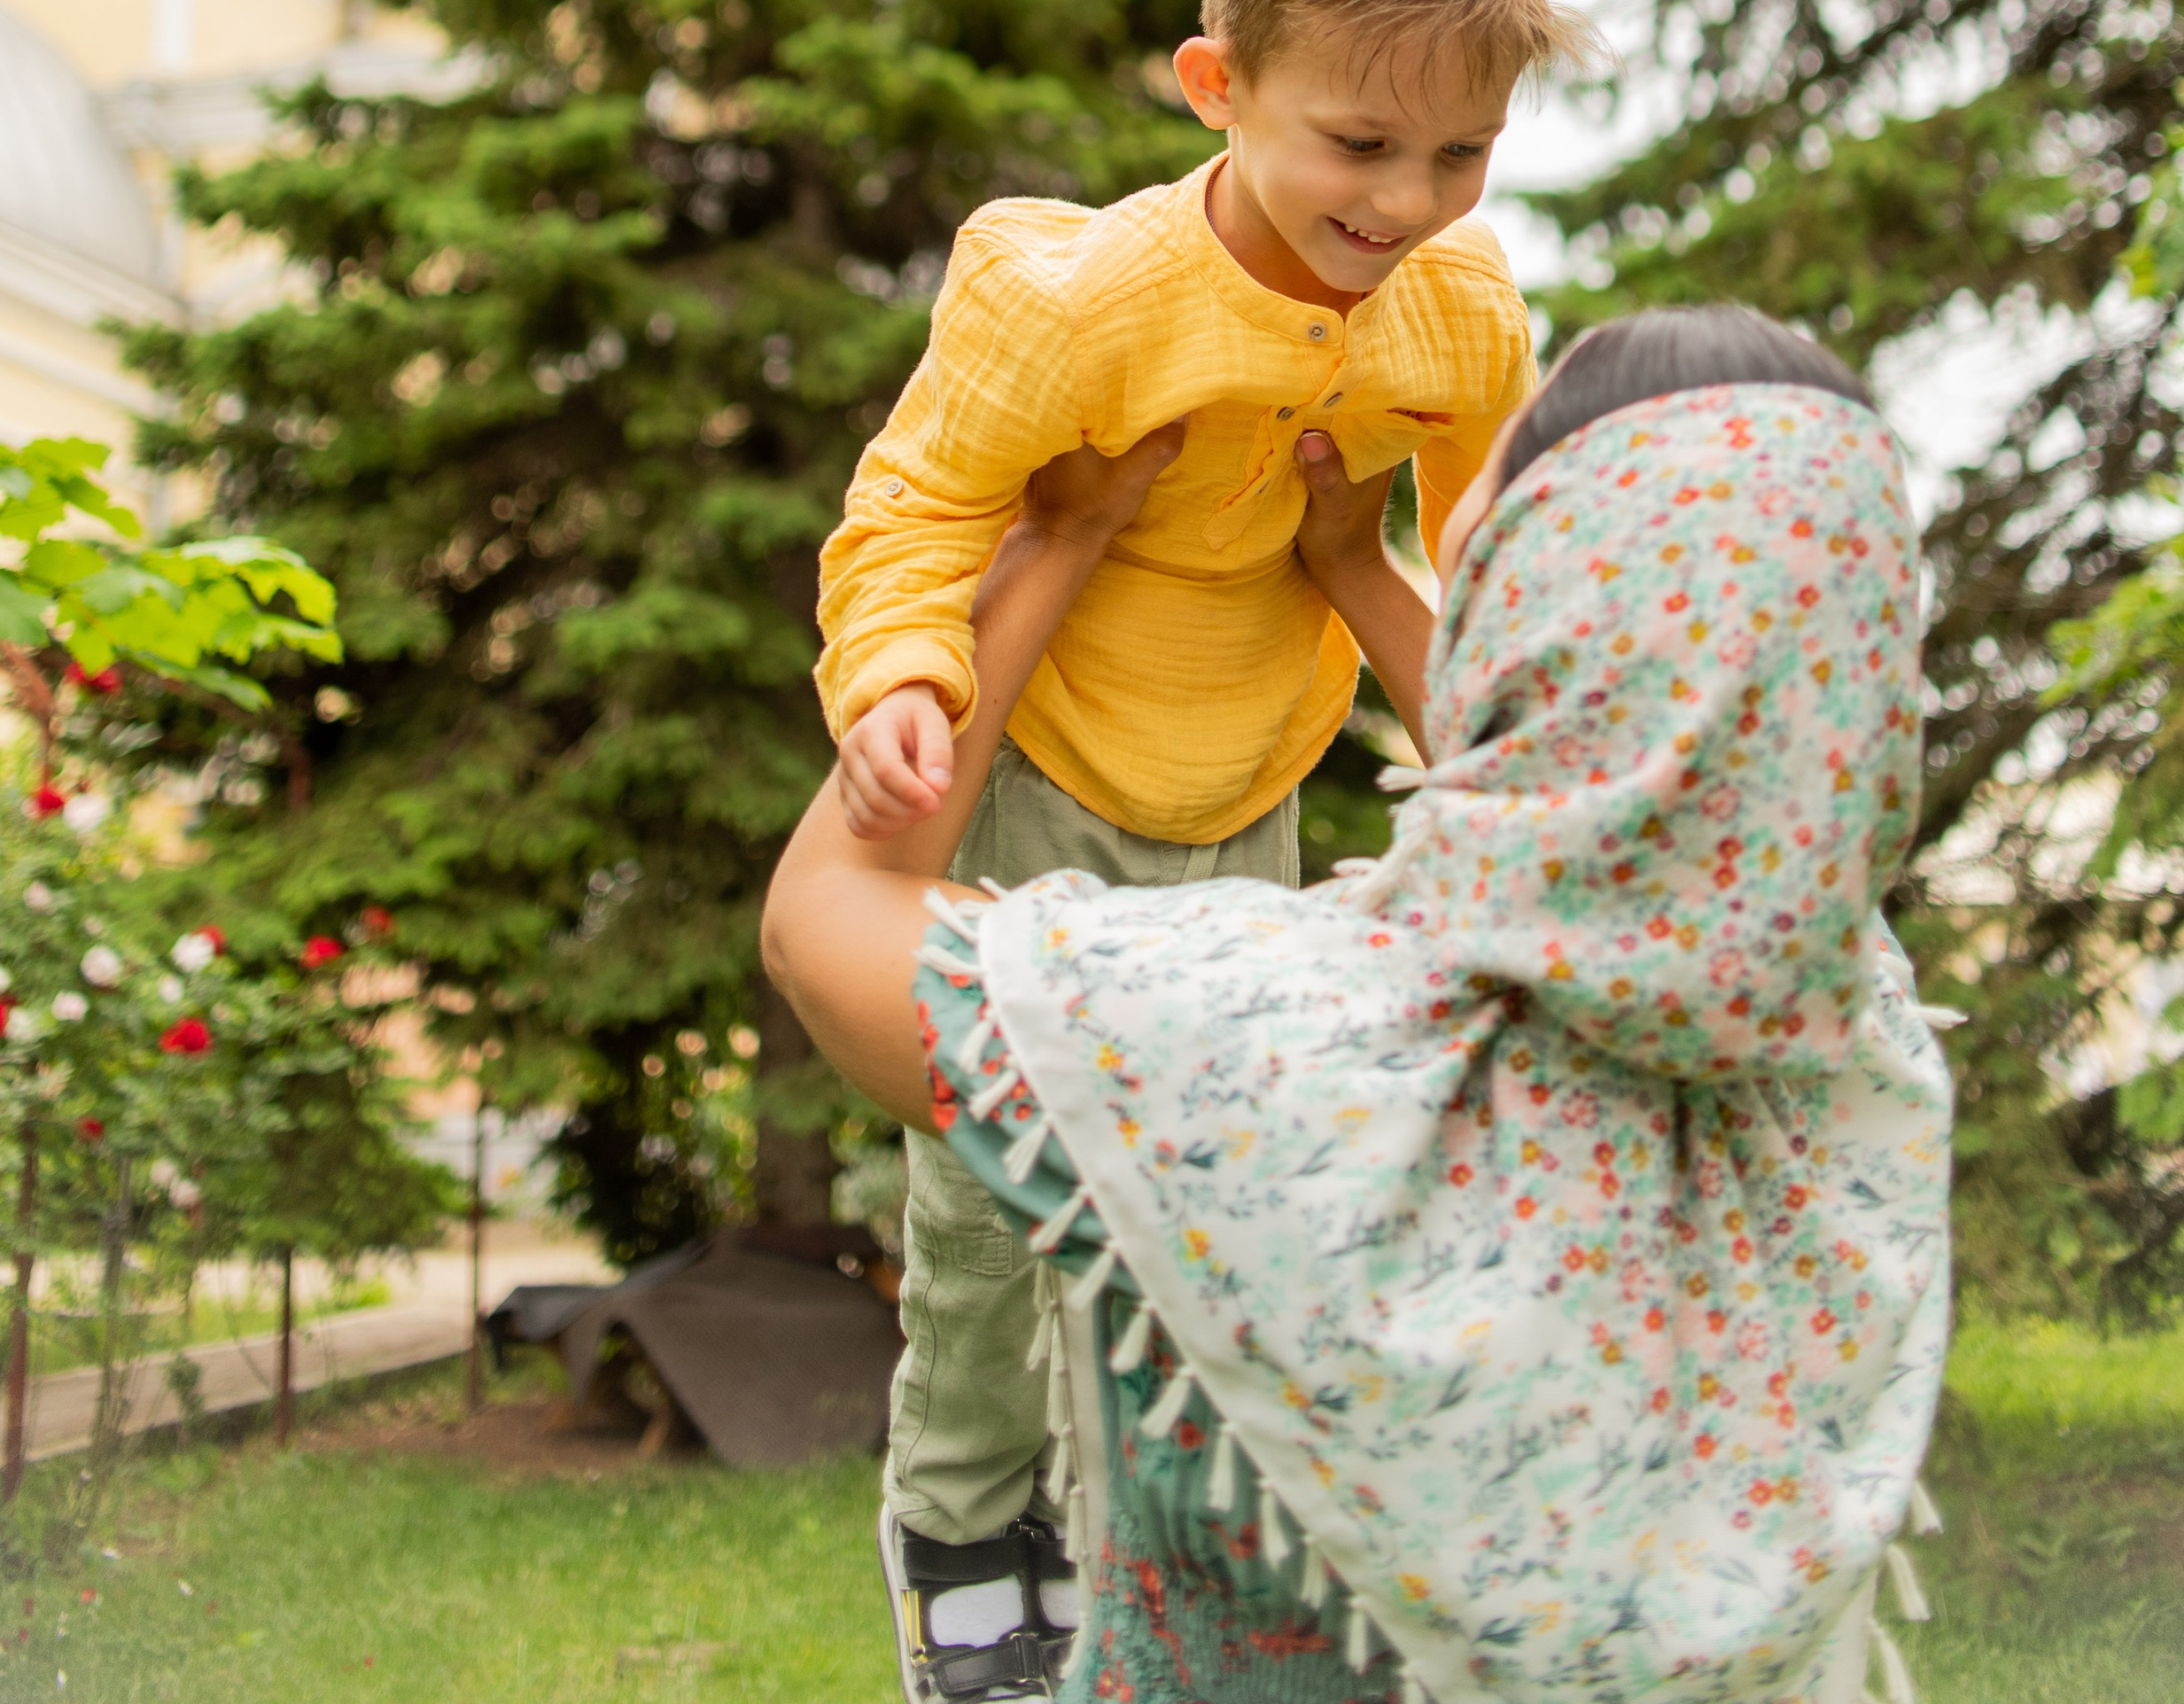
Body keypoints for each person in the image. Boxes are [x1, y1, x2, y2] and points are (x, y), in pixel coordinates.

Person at [766, 304, 1953, 1704]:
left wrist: (1057, 544)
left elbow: (826, 922)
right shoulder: (1856, 1074)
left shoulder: (1255, 1039)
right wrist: (1358, 564)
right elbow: (1656, 794)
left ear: (1527, 604)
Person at [812, 0, 1591, 1700]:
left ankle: (1114, 1554)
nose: (1402, 201)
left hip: (1247, 801)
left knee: (1189, 1214)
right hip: (1038, 780)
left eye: (1459, 150)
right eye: (1357, 139)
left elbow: (1486, 553)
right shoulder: (1076, 300)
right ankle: (959, 1524)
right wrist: (898, 688)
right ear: (1215, 84)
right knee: (994, 1213)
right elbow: (910, 507)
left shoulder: (1456, 312)